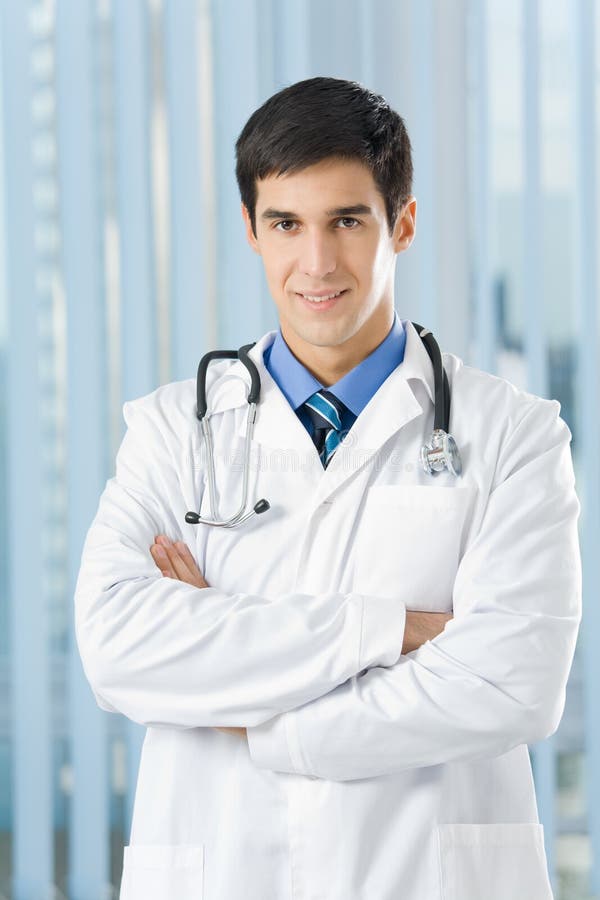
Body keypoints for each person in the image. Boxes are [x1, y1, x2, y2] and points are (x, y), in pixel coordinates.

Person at [74, 76, 582, 900]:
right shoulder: (173, 433)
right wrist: (398, 629)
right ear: (251, 231)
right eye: (286, 224)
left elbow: (512, 684)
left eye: (347, 220)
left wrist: (253, 716)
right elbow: (118, 648)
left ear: (402, 223)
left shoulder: (515, 436)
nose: (317, 263)